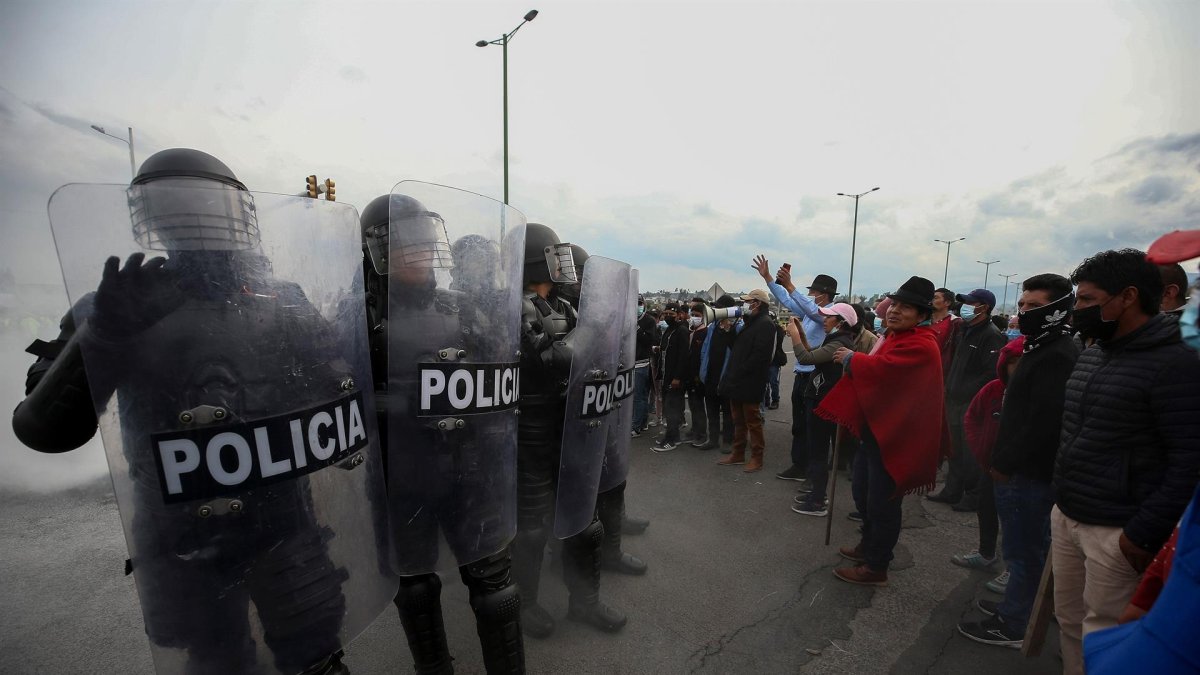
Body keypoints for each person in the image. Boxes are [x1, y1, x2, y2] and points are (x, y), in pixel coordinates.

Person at [13, 149, 382, 675]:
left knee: (316, 654)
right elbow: (45, 431)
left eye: (208, 209)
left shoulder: (283, 302)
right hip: (178, 534)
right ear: (154, 219)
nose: (199, 224)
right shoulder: (116, 305)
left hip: (282, 519)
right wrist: (102, 336)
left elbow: (343, 395)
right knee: (216, 662)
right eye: (180, 209)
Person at [360, 191, 525, 674]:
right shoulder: (358, 318)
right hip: (401, 480)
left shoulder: (465, 309)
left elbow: (503, 383)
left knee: (496, 586)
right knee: (414, 587)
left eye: (423, 240)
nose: (417, 251)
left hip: (470, 473)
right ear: (375, 251)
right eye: (402, 242)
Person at [1048, 249, 1200, 673]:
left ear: (1128, 296)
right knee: (1072, 625)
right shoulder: (1096, 352)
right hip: (1071, 515)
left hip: (1117, 531)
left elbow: (1189, 462)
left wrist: (1141, 533)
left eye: (1088, 300)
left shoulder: (1177, 362)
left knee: (1107, 635)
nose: (1078, 310)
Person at [509, 223, 626, 639]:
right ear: (536, 261)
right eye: (553, 256)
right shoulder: (517, 306)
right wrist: (589, 336)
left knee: (583, 518)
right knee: (533, 527)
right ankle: (524, 604)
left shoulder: (562, 305)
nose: (563, 264)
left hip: (569, 423)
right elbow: (548, 360)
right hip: (532, 429)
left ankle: (585, 602)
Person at [957, 273, 1078, 649]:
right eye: (1022, 305)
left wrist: (1004, 463)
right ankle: (1017, 607)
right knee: (1022, 548)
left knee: (1024, 551)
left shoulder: (1057, 354)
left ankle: (1014, 625)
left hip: (1027, 473)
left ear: (1058, 310)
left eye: (1034, 306)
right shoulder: (1040, 346)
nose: (1024, 312)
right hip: (1019, 470)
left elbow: (1041, 422)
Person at [817, 276, 949, 586]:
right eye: (895, 305)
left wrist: (853, 359)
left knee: (883, 502)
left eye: (906, 308)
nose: (895, 311)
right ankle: (868, 543)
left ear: (921, 315)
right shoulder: (893, 336)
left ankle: (877, 565)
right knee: (863, 492)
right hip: (875, 432)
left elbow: (885, 371)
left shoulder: (921, 343)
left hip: (897, 439)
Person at [750, 254, 836, 482]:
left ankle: (812, 471)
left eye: (813, 293)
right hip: (802, 374)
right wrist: (769, 278)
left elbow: (810, 309)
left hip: (816, 376)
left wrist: (789, 284)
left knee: (813, 426)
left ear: (824, 295)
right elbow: (789, 301)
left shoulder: (830, 313)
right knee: (799, 424)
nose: (809, 296)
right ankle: (799, 465)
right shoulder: (809, 312)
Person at [928, 288, 1005, 512]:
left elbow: (991, 372)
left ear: (985, 307)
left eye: (972, 303)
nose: (966, 306)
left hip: (971, 401)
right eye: (965, 302)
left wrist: (967, 391)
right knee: (954, 449)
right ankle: (952, 490)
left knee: (971, 451)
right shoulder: (964, 330)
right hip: (954, 397)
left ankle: (973, 495)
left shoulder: (991, 335)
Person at [786, 303, 859, 517]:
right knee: (815, 448)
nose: (824, 321)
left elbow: (806, 359)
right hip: (820, 398)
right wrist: (801, 335)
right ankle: (816, 494)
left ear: (841, 322)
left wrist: (793, 337)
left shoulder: (839, 342)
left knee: (818, 451)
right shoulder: (836, 340)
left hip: (823, 401)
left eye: (829, 317)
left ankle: (818, 500)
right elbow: (814, 353)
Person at [716, 289, 777, 473]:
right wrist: (728, 331)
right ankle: (738, 453)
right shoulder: (750, 323)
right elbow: (737, 348)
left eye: (748, 301)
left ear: (757, 303)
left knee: (753, 421)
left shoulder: (765, 324)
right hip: (739, 381)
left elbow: (760, 356)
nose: (745, 305)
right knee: (739, 420)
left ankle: (757, 457)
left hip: (750, 382)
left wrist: (739, 372)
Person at [697, 294, 738, 451]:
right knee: (712, 410)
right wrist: (703, 370)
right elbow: (705, 350)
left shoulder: (737, 327)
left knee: (728, 411)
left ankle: (728, 441)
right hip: (710, 376)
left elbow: (736, 349)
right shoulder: (712, 327)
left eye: (720, 307)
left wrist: (729, 329)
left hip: (725, 377)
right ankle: (712, 439)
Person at [652, 302, 690, 452]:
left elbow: (683, 356)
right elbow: (665, 350)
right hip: (666, 375)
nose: (668, 316)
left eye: (671, 314)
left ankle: (671, 440)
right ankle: (673, 436)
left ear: (679, 315)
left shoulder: (681, 331)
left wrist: (677, 377)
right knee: (669, 409)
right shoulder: (669, 329)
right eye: (666, 313)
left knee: (672, 408)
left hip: (675, 378)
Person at [684, 302, 711, 447]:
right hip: (689, 375)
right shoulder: (692, 332)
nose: (694, 318)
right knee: (693, 405)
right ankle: (695, 429)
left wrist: (698, 375)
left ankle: (701, 433)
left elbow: (702, 356)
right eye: (692, 315)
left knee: (698, 405)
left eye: (697, 316)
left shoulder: (705, 332)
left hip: (698, 376)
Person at [631, 295, 655, 436]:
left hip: (641, 363)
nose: (637, 305)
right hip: (628, 362)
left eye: (639, 303)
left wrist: (637, 329)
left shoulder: (649, 320)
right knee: (634, 396)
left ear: (644, 304)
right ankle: (642, 422)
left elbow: (649, 341)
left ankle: (637, 426)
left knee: (640, 396)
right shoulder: (626, 319)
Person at [764, 311, 786, 410]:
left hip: (775, 359)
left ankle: (775, 400)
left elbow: (778, 342)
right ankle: (766, 399)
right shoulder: (762, 329)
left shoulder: (778, 329)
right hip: (765, 358)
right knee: (765, 380)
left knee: (773, 380)